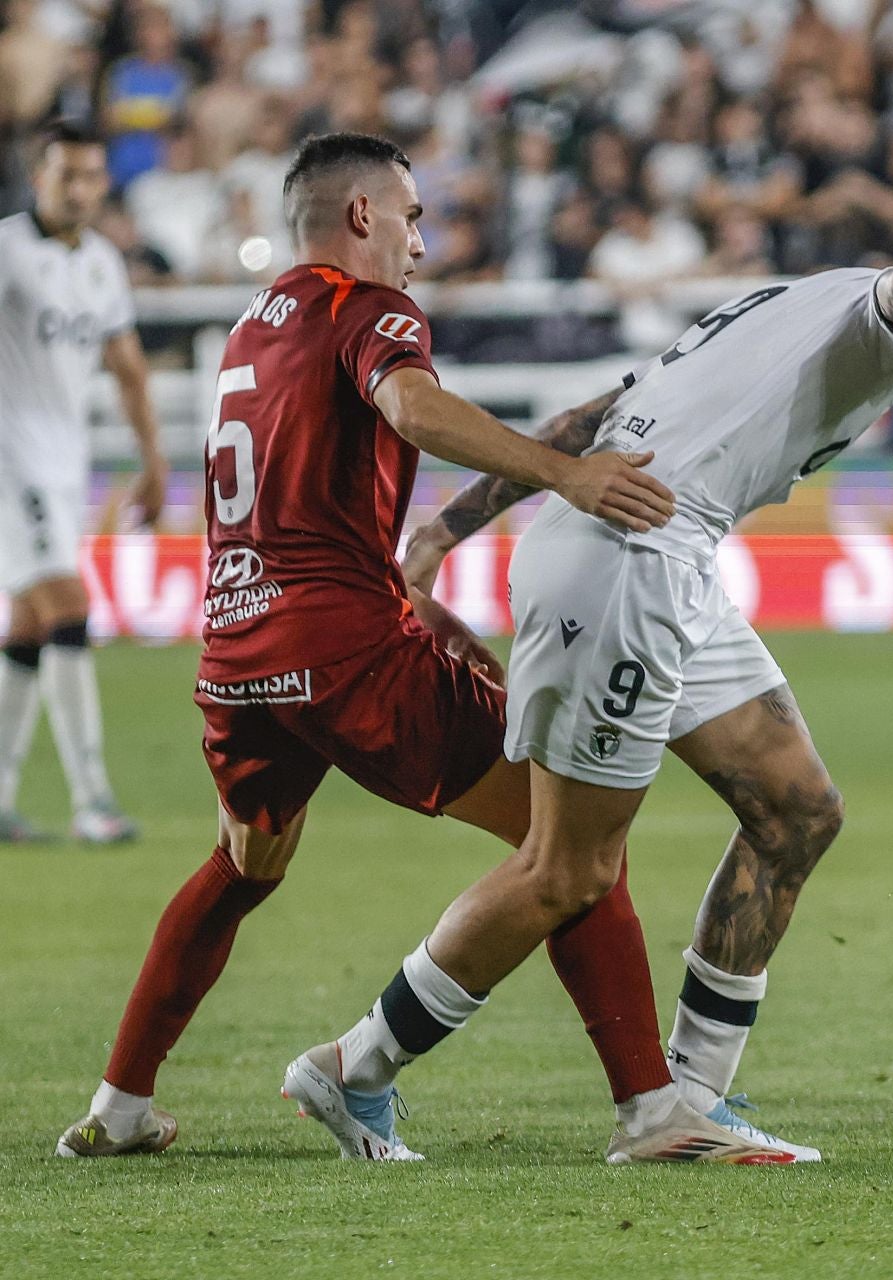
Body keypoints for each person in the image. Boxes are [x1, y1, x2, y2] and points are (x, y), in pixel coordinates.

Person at [302, 189, 893, 1164]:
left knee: (798, 810)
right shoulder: (890, 311)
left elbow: (593, 417)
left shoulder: (793, 302)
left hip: (667, 560)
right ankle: (357, 1063)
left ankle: (689, 1097)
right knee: (566, 868)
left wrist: (444, 526)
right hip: (626, 560)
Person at [54, 132, 707, 1163]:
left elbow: (303, 507)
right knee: (574, 845)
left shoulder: (253, 328)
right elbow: (409, 402)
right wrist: (565, 473)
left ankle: (119, 1103)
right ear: (361, 215)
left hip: (238, 651)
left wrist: (417, 607)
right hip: (344, 651)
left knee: (245, 861)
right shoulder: (369, 310)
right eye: (410, 216)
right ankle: (651, 1108)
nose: (421, 242)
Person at [0, 120, 164, 845]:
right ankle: (93, 799)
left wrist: (153, 461)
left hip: (64, 464)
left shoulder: (100, 262)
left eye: (91, 176)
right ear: (39, 178)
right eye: (65, 174)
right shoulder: (7, 249)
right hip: (9, 461)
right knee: (69, 605)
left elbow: (128, 368)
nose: (79, 189)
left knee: (30, 626)